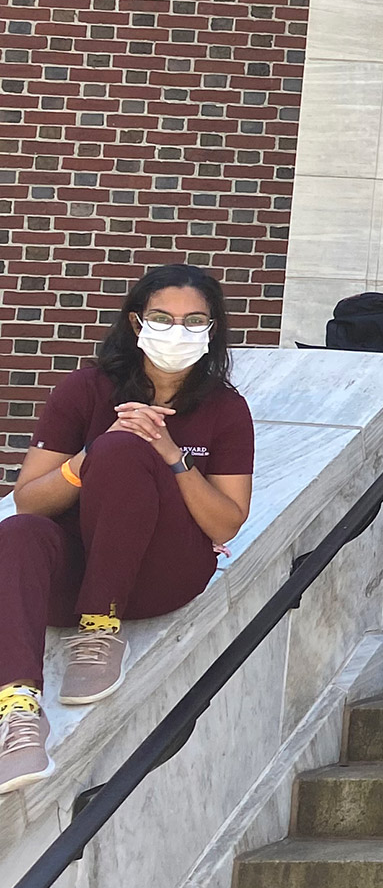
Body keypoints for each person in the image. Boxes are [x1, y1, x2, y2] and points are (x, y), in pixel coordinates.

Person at [0, 264, 256, 794]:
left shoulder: (225, 408)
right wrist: (89, 456)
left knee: (125, 448)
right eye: (163, 317)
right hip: (79, 564)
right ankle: (18, 713)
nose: (177, 330)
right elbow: (28, 498)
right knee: (18, 534)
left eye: (194, 321)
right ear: (136, 324)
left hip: (164, 572)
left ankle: (101, 626)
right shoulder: (86, 388)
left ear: (213, 330)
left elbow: (228, 520)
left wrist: (172, 457)